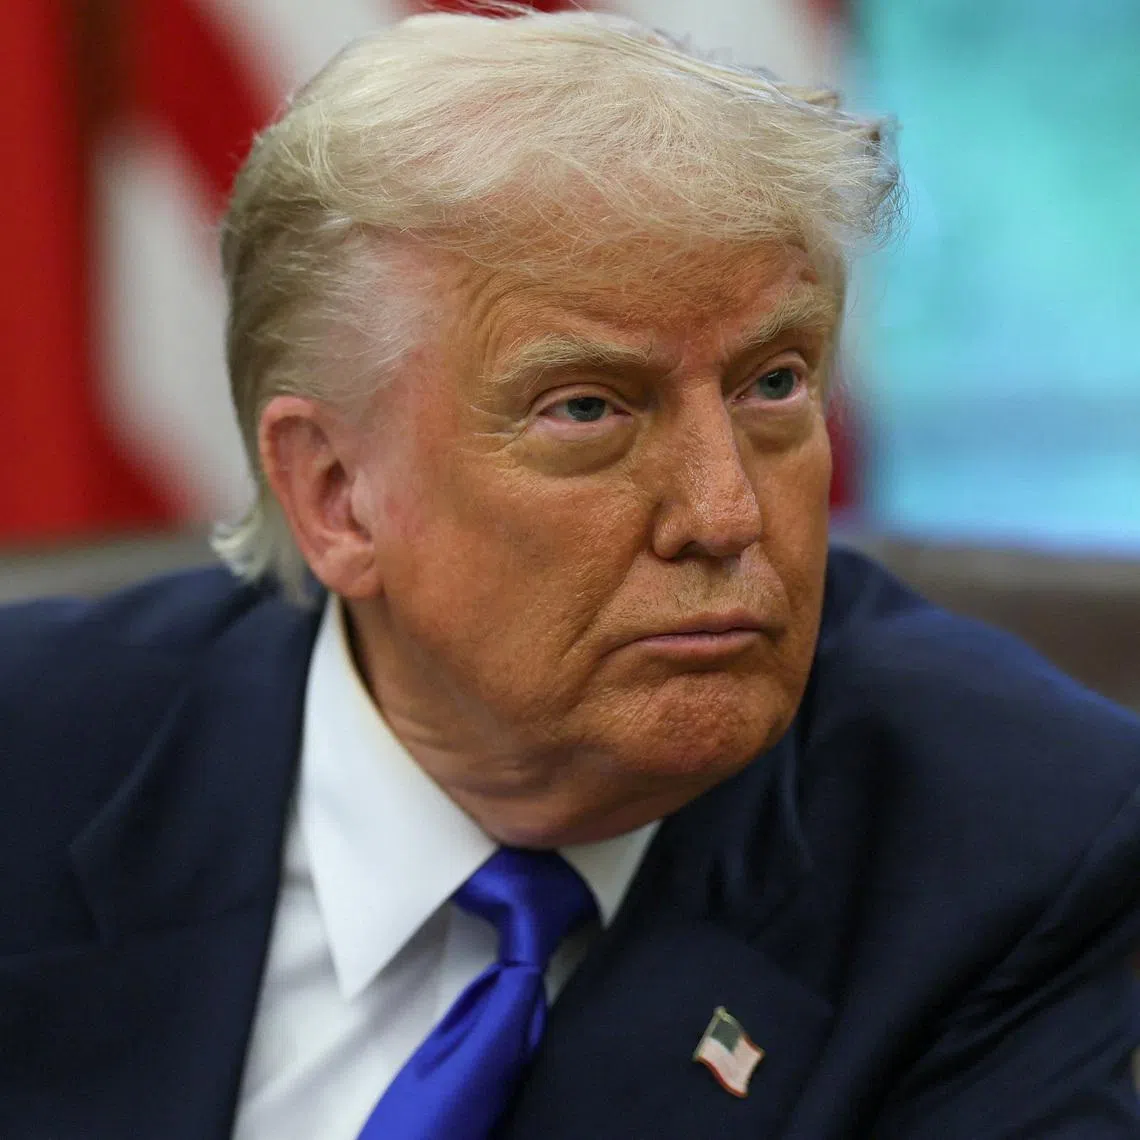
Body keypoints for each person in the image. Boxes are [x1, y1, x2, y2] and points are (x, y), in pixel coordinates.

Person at [2, 9, 1138, 1140]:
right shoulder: (36, 758)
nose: (726, 513)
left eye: (775, 385)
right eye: (587, 408)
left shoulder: (1011, 847)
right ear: (335, 494)